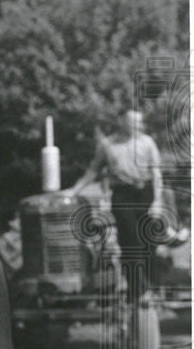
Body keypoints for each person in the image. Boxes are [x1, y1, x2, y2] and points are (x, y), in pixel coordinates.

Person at [66, 107, 164, 306]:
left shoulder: (147, 143)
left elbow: (156, 174)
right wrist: (73, 191)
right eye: (132, 122)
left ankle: (144, 289)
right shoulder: (108, 145)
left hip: (145, 194)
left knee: (149, 243)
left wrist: (157, 201)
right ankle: (140, 291)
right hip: (123, 195)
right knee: (131, 242)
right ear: (122, 122)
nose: (137, 126)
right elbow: (93, 171)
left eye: (139, 122)